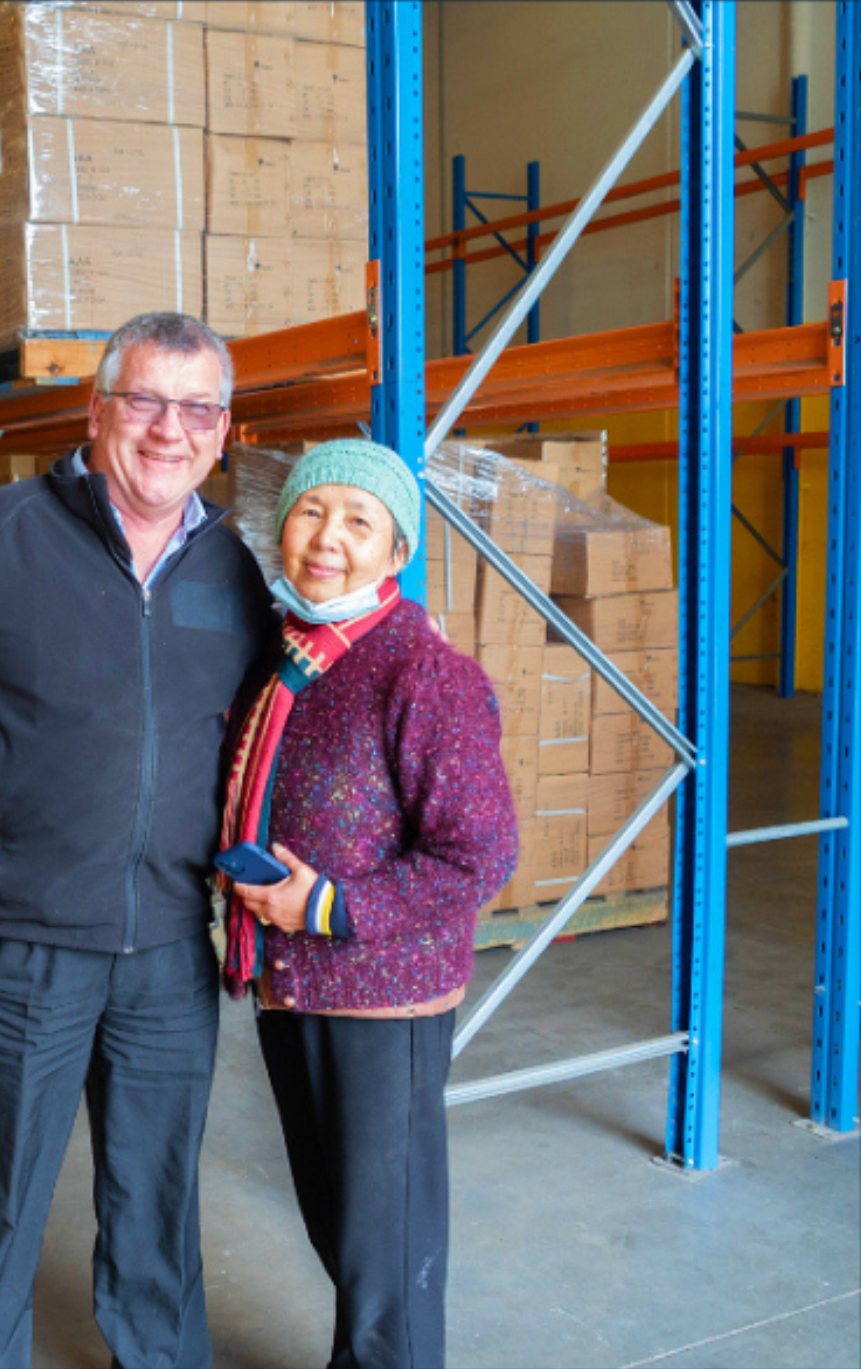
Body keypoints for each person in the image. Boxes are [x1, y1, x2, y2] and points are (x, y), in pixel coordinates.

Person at [0, 312, 275, 1369]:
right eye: (144, 401)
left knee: (157, 1198)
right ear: (96, 409)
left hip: (169, 945)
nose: (169, 430)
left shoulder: (236, 572)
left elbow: (277, 725)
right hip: (10, 942)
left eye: (196, 408)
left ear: (223, 428)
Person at [219, 440, 519, 1369]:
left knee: (385, 1252)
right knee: (342, 1230)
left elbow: (481, 854)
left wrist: (331, 907)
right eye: (312, 512)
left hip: (380, 999)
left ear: (397, 552)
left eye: (359, 521)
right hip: (292, 985)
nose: (328, 538)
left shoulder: (424, 675)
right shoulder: (290, 659)